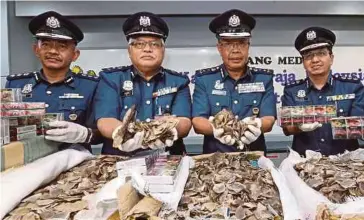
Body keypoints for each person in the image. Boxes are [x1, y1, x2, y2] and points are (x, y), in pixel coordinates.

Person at [94, 12, 192, 156]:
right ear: (129, 50)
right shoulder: (111, 79)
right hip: (119, 161)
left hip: (168, 159)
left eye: (154, 44)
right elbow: (105, 120)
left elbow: (184, 121)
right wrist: (123, 134)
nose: (147, 49)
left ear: (163, 50)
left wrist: (168, 131)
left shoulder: (179, 82)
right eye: (139, 44)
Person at [6, 11, 102, 151]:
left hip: (74, 165)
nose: (52, 51)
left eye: (62, 46)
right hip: (27, 164)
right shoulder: (16, 85)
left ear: (75, 55)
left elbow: (101, 134)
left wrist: (84, 134)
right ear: (36, 50)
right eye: (45, 45)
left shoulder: (91, 86)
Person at [192, 9, 276, 154]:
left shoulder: (264, 79)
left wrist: (258, 125)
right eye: (228, 43)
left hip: (254, 158)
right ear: (219, 48)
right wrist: (218, 130)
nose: (235, 50)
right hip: (215, 160)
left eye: (242, 43)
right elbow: (198, 121)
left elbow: (268, 119)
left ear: (248, 46)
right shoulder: (205, 80)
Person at [281, 26, 364, 156]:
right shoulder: (292, 91)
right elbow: (287, 128)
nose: (315, 60)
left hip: (346, 164)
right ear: (303, 62)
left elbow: (360, 126)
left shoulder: (352, 87)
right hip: (304, 165)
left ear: (331, 58)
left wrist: (337, 124)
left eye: (321, 53)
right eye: (308, 56)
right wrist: (299, 126)